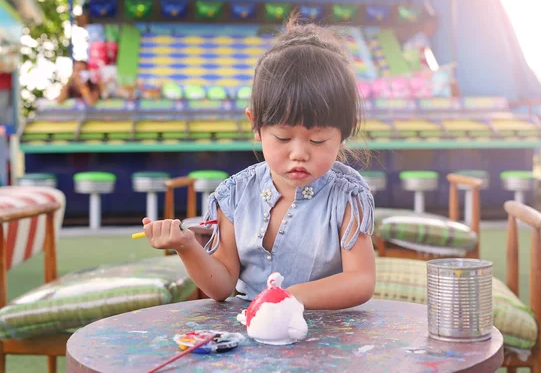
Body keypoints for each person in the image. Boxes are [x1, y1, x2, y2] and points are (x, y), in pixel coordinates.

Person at [142, 18, 376, 310]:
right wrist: (186, 246)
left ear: (345, 131)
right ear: (256, 124)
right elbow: (222, 285)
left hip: (322, 340)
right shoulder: (235, 194)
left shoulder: (347, 197)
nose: (299, 153)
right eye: (282, 137)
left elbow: (360, 280)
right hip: (251, 338)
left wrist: (285, 299)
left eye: (318, 141)